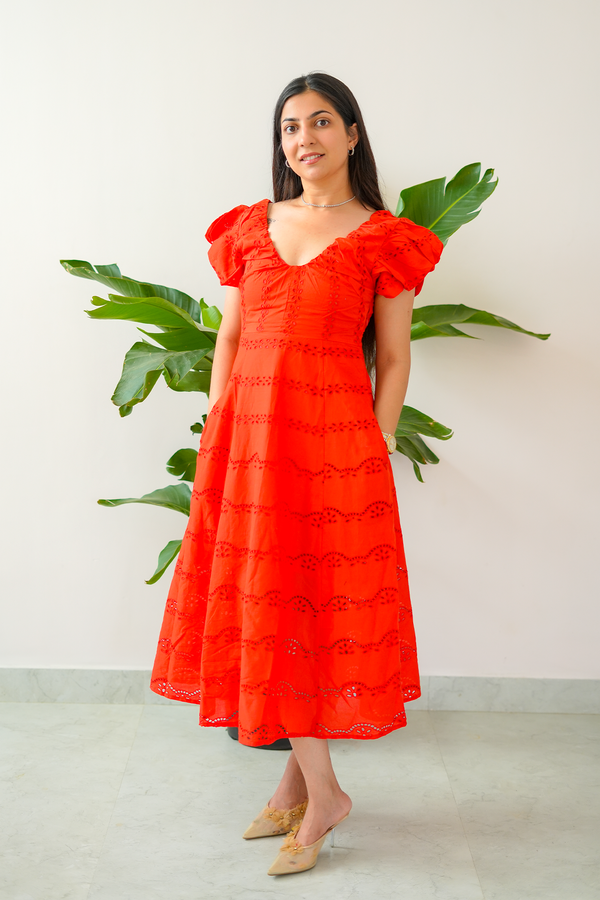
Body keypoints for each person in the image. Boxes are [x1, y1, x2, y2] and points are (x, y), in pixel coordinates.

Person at [150, 71, 443, 876]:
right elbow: (230, 342)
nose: (303, 139)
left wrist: (376, 444)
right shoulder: (250, 226)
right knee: (269, 605)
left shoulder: (386, 237)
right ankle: (301, 786)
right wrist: (219, 424)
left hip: (335, 447)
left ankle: (324, 799)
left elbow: (391, 357)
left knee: (308, 607)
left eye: (320, 122)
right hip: (250, 448)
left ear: (352, 133)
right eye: (289, 127)